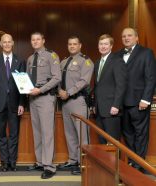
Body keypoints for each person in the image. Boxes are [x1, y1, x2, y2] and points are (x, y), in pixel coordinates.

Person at [117, 28, 156, 171]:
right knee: (127, 134)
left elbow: (151, 78)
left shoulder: (146, 53)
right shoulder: (117, 55)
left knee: (140, 134)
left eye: (129, 35)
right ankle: (133, 160)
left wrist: (146, 99)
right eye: (124, 36)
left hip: (139, 102)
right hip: (122, 103)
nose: (126, 38)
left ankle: (140, 164)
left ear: (136, 38)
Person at [26, 32, 61, 179]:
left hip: (45, 97)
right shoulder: (30, 58)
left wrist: (40, 89)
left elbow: (57, 77)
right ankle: (40, 161)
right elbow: (28, 78)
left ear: (43, 40)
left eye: (38, 39)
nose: (35, 42)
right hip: (33, 99)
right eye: (33, 39)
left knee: (47, 132)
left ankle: (49, 166)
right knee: (37, 132)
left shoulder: (51, 56)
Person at [57, 36, 93, 175]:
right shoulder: (64, 61)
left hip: (78, 101)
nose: (72, 46)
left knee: (82, 134)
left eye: (74, 44)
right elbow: (58, 79)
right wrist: (60, 91)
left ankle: (84, 163)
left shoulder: (86, 61)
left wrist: (69, 92)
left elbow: (84, 81)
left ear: (80, 45)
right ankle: (73, 160)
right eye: (70, 44)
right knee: (70, 133)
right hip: (65, 103)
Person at [0, 34, 25, 172]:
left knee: (14, 134)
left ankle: (13, 162)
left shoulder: (20, 61)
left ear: (13, 43)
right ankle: (4, 161)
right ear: (1, 44)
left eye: (9, 41)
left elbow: (23, 84)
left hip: (15, 104)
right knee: (1, 134)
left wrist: (22, 103)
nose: (7, 44)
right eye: (5, 42)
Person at [94, 34, 127, 144]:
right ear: (98, 46)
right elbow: (97, 86)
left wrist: (116, 105)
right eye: (101, 44)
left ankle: (115, 162)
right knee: (102, 141)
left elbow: (121, 85)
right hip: (99, 109)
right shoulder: (98, 62)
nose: (103, 46)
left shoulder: (117, 61)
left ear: (111, 46)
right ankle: (105, 162)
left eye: (106, 44)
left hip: (112, 109)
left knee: (113, 142)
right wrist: (95, 105)